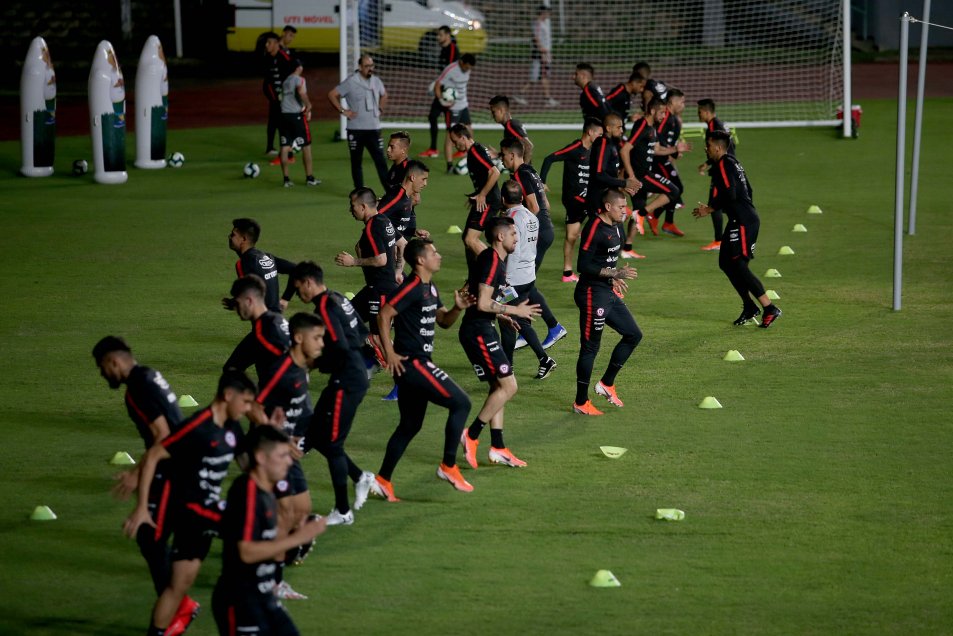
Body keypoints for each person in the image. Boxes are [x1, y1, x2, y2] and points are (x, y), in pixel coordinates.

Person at [124, 370, 256, 636]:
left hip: (202, 518)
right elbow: (153, 457)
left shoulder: (232, 426)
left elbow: (248, 466)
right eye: (245, 402)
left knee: (178, 586)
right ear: (228, 396)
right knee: (248, 532)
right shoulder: (197, 427)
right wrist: (140, 508)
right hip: (192, 511)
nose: (247, 409)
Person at [93, 337, 197, 632]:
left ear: (113, 362)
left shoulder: (137, 390)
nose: (103, 375)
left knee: (150, 535)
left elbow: (163, 436)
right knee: (153, 537)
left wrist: (137, 474)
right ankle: (178, 604)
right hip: (180, 464)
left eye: (102, 368)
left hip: (172, 468)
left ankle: (179, 608)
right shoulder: (149, 374)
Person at [371, 238, 475, 499]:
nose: (438, 255)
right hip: (413, 363)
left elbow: (443, 321)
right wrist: (389, 353)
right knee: (461, 403)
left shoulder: (430, 287)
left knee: (409, 425)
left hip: (417, 363)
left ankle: (383, 479)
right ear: (420, 260)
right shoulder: (413, 286)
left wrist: (457, 309)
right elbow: (383, 315)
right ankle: (448, 466)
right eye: (434, 252)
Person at [212, 425, 327, 636]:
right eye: (282, 455)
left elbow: (269, 545)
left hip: (264, 596)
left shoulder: (267, 494)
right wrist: (297, 538)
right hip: (241, 602)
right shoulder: (247, 492)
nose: (288, 461)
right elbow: (246, 552)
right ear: (261, 458)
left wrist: (293, 533)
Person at [291, 261, 377, 525]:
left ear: (308, 282)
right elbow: (362, 333)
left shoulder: (325, 306)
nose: (298, 295)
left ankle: (343, 511)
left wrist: (314, 363)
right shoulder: (338, 297)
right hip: (352, 374)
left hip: (347, 379)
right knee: (317, 433)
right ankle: (361, 477)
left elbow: (338, 345)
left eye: (297, 289)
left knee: (332, 444)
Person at [247, 312, 324, 600]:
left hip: (287, 452)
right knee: (285, 514)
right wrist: (274, 434)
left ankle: (269, 552)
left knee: (302, 509)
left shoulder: (302, 367)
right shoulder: (281, 370)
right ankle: (271, 581)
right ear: (299, 338)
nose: (321, 343)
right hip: (270, 455)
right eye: (317, 338)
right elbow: (253, 405)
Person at [458, 216, 541, 469]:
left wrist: (502, 316)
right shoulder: (492, 262)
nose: (518, 239)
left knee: (499, 388)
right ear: (500, 237)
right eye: (514, 234)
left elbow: (482, 300)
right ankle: (471, 435)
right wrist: (514, 311)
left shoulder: (494, 261)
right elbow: (482, 303)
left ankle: (498, 447)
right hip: (478, 332)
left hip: (483, 327)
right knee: (509, 386)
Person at [692, 130, 782, 328]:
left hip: (742, 222)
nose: (706, 149)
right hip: (740, 220)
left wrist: (710, 208)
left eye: (708, 145)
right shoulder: (734, 162)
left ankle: (769, 307)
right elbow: (748, 190)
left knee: (739, 266)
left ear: (717, 147)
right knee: (725, 263)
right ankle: (749, 306)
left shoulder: (724, 164)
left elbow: (731, 194)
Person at [572, 189, 642, 415]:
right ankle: (581, 403)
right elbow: (583, 265)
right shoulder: (594, 228)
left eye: (626, 207)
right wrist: (611, 274)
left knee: (633, 334)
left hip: (605, 291)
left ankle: (606, 384)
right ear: (608, 207)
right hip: (591, 293)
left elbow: (606, 259)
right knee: (591, 347)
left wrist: (612, 277)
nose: (625, 211)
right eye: (621, 207)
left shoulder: (617, 226)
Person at [499, 137, 567, 349]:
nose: (501, 160)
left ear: (512, 155)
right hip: (543, 229)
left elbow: (535, 207)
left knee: (523, 283)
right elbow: (545, 202)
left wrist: (525, 230)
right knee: (527, 282)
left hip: (538, 230)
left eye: (502, 155)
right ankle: (530, 328)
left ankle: (549, 327)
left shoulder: (520, 174)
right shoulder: (531, 171)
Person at [335, 187, 406, 366]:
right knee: (347, 319)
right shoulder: (384, 220)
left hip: (381, 291)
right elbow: (403, 244)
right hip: (374, 289)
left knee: (377, 337)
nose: (351, 210)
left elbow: (381, 260)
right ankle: (368, 362)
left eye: (353, 206)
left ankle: (402, 375)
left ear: (364, 207)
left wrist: (354, 262)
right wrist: (397, 271)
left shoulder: (372, 227)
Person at [498, 180, 558, 379]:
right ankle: (544, 360)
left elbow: (508, 249)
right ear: (522, 198)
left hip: (512, 279)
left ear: (503, 198)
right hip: (528, 277)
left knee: (507, 321)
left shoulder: (509, 220)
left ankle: (507, 370)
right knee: (522, 322)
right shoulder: (532, 216)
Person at [619, 98, 686, 256]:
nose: (664, 116)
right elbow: (625, 150)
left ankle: (627, 249)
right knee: (674, 191)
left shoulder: (652, 128)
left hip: (642, 174)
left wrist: (675, 149)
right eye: (662, 112)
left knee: (638, 206)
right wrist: (632, 176)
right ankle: (643, 214)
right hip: (641, 176)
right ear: (653, 111)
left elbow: (656, 150)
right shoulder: (642, 124)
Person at [540, 118, 602, 283]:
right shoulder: (575, 148)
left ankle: (567, 273)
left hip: (586, 198)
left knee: (572, 236)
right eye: (600, 133)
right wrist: (542, 182)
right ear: (590, 132)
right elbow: (549, 159)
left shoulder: (595, 150)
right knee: (601, 219)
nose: (602, 137)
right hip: (574, 199)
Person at [328, 54, 389, 190]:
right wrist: (343, 111)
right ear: (360, 67)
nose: (370, 69)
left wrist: (380, 107)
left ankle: (389, 191)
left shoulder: (376, 81)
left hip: (373, 128)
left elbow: (384, 94)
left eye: (372, 65)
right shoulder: (351, 82)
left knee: (381, 161)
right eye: (367, 66)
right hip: (356, 129)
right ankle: (360, 191)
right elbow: (332, 94)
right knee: (356, 162)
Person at [587, 114, 641, 261]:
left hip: (607, 198)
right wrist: (624, 183)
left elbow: (608, 175)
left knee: (618, 239)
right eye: (619, 127)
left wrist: (623, 188)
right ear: (608, 128)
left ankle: (606, 273)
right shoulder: (603, 144)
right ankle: (595, 271)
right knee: (608, 240)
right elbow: (598, 174)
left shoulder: (611, 144)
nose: (622, 130)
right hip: (599, 200)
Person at [449, 123, 502, 266]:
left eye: (455, 141)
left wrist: (482, 195)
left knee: (470, 239)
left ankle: (498, 269)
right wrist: (477, 194)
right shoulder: (475, 150)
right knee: (466, 237)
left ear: (463, 137)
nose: (454, 145)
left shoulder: (475, 150)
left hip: (488, 201)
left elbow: (495, 172)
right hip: (483, 199)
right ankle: (473, 280)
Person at [222, 275, 290, 382]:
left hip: (282, 393)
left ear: (249, 301)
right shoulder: (276, 319)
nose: (236, 308)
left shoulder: (262, 333)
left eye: (237, 303)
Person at [228, 218, 296, 313]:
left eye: (233, 235)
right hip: (277, 319)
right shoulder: (267, 257)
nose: (229, 237)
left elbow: (247, 297)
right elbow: (296, 269)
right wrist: (286, 299)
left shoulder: (243, 263)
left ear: (243, 239)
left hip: (265, 321)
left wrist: (234, 302)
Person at [696, 98, 735, 251]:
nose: (698, 115)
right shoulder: (719, 124)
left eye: (699, 112)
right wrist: (707, 164)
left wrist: (716, 165)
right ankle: (729, 237)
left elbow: (720, 150)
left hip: (723, 170)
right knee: (725, 203)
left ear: (706, 112)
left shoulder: (713, 127)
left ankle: (719, 241)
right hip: (727, 166)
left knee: (715, 203)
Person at [652, 88, 691, 237]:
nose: (683, 105)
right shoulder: (665, 117)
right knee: (674, 188)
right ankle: (651, 215)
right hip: (657, 159)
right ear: (672, 101)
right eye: (682, 101)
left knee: (675, 189)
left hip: (664, 158)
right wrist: (673, 150)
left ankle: (665, 221)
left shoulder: (673, 119)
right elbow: (657, 137)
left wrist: (675, 151)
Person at [420, 26, 460, 158]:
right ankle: (433, 149)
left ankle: (461, 148)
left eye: (440, 35)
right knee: (433, 116)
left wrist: (442, 87)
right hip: (442, 89)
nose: (438, 37)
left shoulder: (453, 49)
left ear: (448, 35)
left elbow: (452, 72)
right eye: (437, 35)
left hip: (449, 92)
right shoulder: (443, 49)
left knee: (451, 123)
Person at [433, 53, 476, 173]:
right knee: (451, 136)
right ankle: (449, 166)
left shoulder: (467, 69)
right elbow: (437, 85)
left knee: (469, 132)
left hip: (464, 105)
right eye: (467, 67)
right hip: (452, 109)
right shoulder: (450, 69)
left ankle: (471, 159)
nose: (468, 70)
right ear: (462, 62)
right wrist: (442, 101)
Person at [279, 63, 319, 188]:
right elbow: (301, 92)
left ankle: (286, 179)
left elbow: (281, 96)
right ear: (299, 68)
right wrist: (308, 105)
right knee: (306, 146)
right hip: (296, 116)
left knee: (285, 146)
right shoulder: (300, 79)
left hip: (284, 115)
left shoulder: (285, 81)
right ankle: (310, 178)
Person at [515, 6, 559, 107]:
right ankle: (521, 94)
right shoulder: (537, 24)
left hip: (545, 53)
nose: (549, 14)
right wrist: (542, 51)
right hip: (540, 54)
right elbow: (536, 39)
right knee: (538, 77)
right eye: (547, 12)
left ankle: (546, 98)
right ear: (542, 13)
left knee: (543, 76)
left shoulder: (544, 23)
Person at [261, 32, 295, 158]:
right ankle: (277, 150)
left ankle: (287, 153)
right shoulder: (267, 57)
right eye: (266, 42)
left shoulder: (283, 57)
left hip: (284, 97)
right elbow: (267, 81)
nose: (266, 45)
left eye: (269, 42)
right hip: (274, 97)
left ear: (276, 43)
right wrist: (275, 97)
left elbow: (293, 73)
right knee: (275, 122)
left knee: (282, 123)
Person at [379, 160, 431, 242]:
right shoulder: (396, 197)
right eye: (423, 179)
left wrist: (414, 232)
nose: (425, 183)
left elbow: (397, 225)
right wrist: (398, 238)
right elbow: (375, 219)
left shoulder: (407, 197)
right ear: (413, 177)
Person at [489, 95, 534, 163]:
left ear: (501, 110)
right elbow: (518, 150)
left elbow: (528, 146)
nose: (492, 116)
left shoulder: (510, 125)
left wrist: (523, 169)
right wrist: (499, 154)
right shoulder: (511, 125)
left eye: (493, 112)